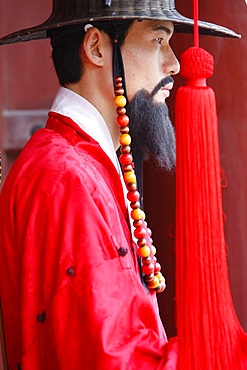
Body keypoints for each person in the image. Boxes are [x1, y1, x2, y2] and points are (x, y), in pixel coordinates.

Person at [0, 1, 240, 369]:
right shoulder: (66, 178)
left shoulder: (80, 163)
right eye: (158, 40)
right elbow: (110, 359)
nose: (174, 64)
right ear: (97, 48)